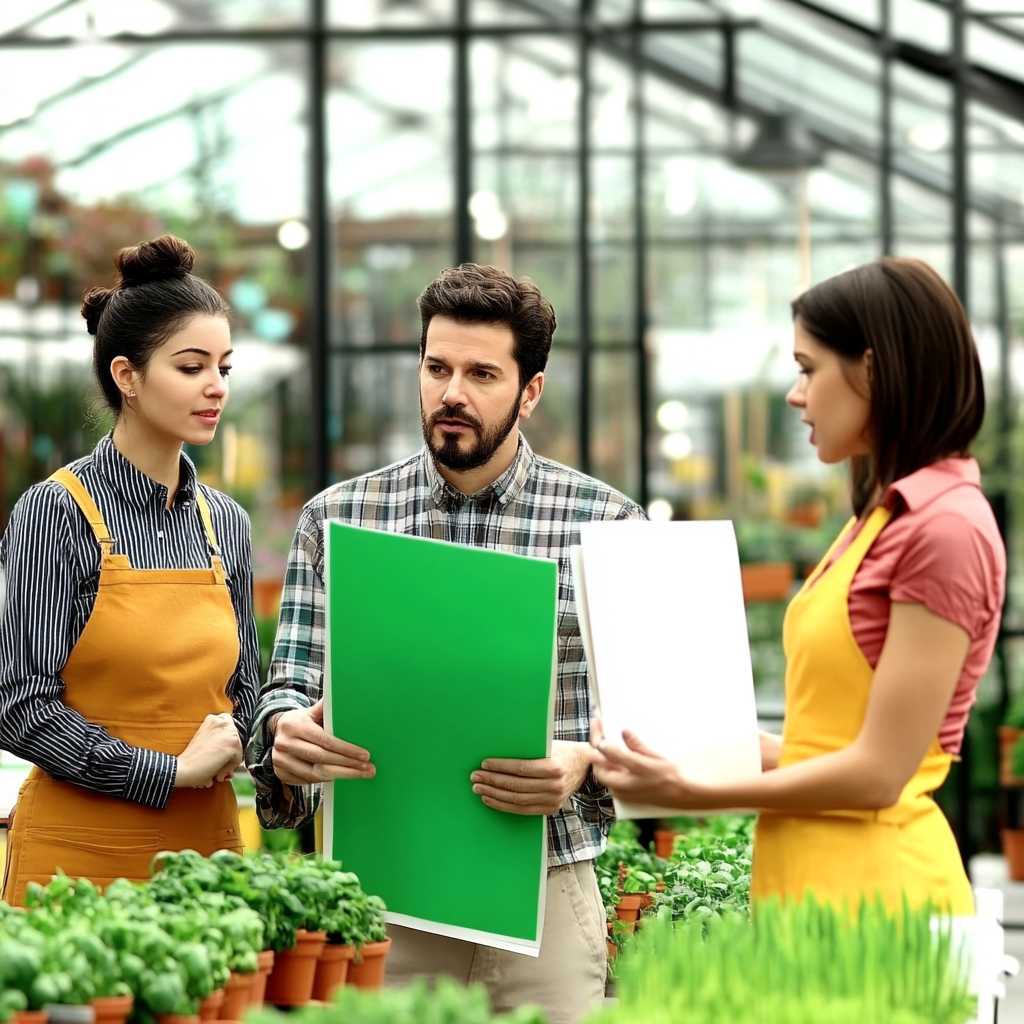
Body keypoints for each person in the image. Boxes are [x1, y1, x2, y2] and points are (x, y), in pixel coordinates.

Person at [246, 263, 645, 1023]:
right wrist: (285, 735)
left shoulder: (609, 525)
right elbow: (287, 687)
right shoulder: (340, 519)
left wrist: (585, 759)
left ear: (530, 391)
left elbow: (647, 727)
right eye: (437, 367)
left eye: (481, 373)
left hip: (547, 890)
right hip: (385, 892)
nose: (452, 392)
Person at [591, 257, 1005, 916]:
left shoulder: (945, 529)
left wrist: (698, 790)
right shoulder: (881, 518)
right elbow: (841, 745)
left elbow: (879, 773)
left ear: (871, 368)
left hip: (879, 896)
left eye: (809, 368)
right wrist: (724, 750)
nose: (795, 392)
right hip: (817, 884)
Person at [0, 235, 259, 905]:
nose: (215, 387)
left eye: (224, 368)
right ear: (127, 376)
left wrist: (286, 737)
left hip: (208, 868)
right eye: (191, 366)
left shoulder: (225, 523)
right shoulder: (55, 513)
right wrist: (164, 772)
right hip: (76, 868)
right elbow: (19, 704)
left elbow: (245, 692)